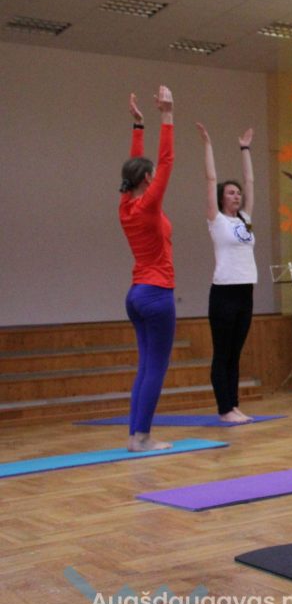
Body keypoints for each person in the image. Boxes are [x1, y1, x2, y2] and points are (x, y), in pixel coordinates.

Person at [119, 87, 176, 451]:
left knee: (145, 366)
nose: (156, 177)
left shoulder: (126, 205)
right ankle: (142, 437)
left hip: (136, 295)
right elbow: (166, 161)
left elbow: (134, 165)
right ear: (146, 181)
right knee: (155, 367)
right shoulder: (149, 205)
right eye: (151, 175)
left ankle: (135, 435)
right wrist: (167, 115)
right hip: (156, 294)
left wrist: (139, 126)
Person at [195, 122, 257, 424]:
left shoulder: (245, 219)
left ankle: (233, 405)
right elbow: (211, 178)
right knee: (222, 353)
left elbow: (250, 180)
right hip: (224, 293)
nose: (236, 196)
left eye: (238, 193)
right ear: (221, 197)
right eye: (231, 193)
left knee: (235, 353)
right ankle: (224, 409)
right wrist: (208, 144)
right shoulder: (216, 220)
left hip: (246, 291)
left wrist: (245, 149)